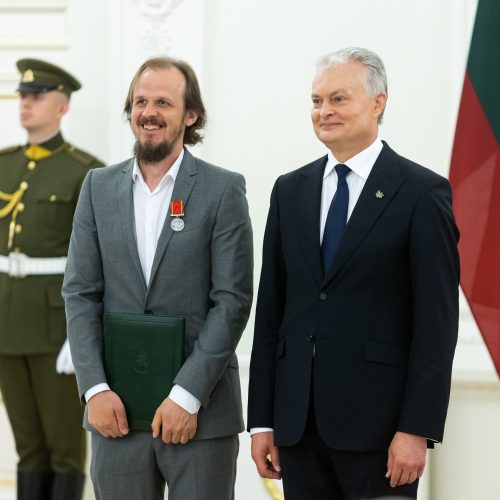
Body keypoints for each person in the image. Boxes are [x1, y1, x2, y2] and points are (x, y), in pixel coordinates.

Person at [247, 47, 459, 499]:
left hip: (382, 435)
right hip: (297, 429)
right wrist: (263, 419)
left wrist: (416, 429)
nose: (324, 111)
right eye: (317, 100)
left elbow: (436, 324)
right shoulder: (290, 191)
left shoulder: (422, 192)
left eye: (338, 99)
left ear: (378, 102)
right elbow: (272, 311)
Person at [62, 56, 253, 500]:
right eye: (141, 101)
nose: (149, 112)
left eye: (164, 102)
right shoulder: (96, 187)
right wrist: (93, 389)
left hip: (200, 417)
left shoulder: (223, 189)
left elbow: (232, 301)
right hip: (116, 416)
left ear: (191, 115)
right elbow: (80, 293)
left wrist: (187, 396)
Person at [0, 59, 104, 500]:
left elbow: (98, 264)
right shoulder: (4, 164)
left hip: (57, 326)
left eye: (37, 96)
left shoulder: (86, 171)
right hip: (8, 319)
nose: (26, 104)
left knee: (64, 448)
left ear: (62, 106)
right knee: (28, 448)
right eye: (23, 96)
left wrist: (81, 335)